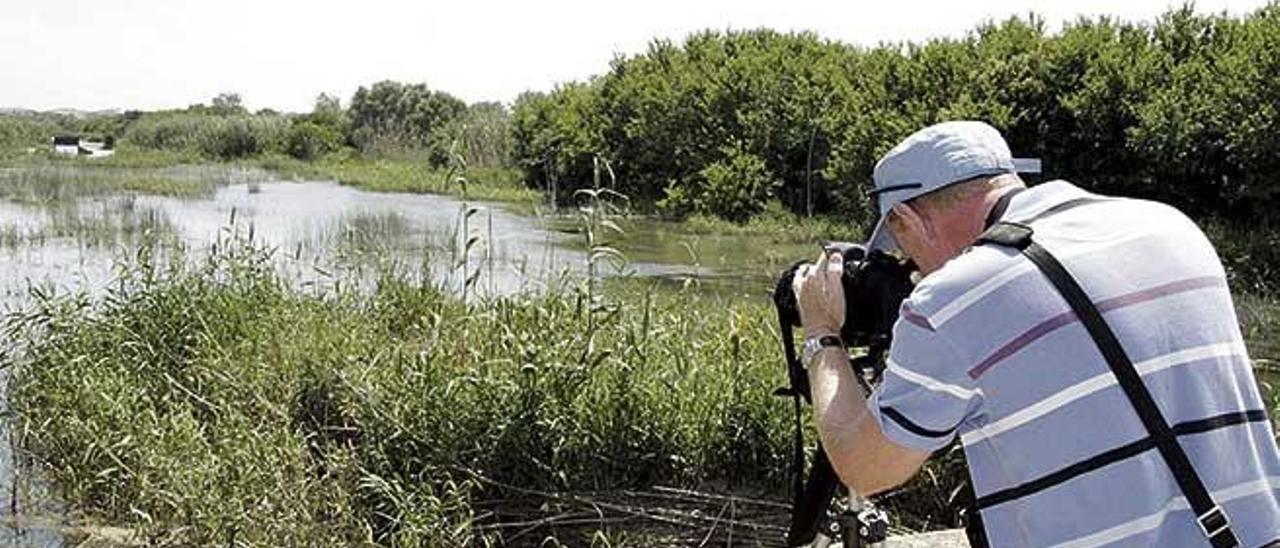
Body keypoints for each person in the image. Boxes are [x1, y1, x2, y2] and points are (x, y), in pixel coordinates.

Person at [791, 120, 1280, 546]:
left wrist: (821, 332)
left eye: (898, 242)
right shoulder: (1170, 227)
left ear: (905, 217)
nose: (905, 263)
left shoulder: (953, 299)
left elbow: (864, 466)